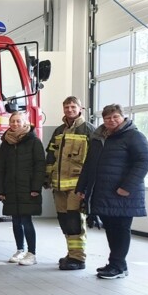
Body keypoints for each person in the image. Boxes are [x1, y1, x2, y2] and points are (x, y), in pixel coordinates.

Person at [77, 104, 148, 280]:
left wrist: (127, 187)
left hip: (124, 194)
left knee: (121, 229)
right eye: (108, 118)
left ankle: (117, 265)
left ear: (123, 117)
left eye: (115, 117)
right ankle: (117, 264)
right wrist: (82, 187)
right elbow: (89, 165)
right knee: (111, 229)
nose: (111, 121)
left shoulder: (134, 136)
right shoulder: (99, 138)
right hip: (104, 193)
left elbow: (144, 161)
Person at [45, 96, 95, 271]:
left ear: (80, 109)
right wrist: (47, 177)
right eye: (66, 107)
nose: (69, 110)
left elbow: (93, 161)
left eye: (73, 107)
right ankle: (71, 253)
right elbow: (50, 155)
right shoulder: (59, 130)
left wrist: (87, 186)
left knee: (74, 221)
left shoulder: (89, 130)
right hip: (58, 185)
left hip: (76, 186)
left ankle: (78, 258)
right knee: (64, 220)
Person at [0, 111, 46, 266]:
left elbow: (40, 166)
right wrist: (1, 190)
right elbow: (0, 168)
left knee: (26, 220)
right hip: (11, 188)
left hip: (28, 188)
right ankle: (20, 250)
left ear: (25, 123)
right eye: (13, 121)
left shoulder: (34, 141)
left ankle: (32, 253)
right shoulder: (6, 143)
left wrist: (36, 188)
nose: (15, 124)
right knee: (16, 221)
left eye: (18, 121)